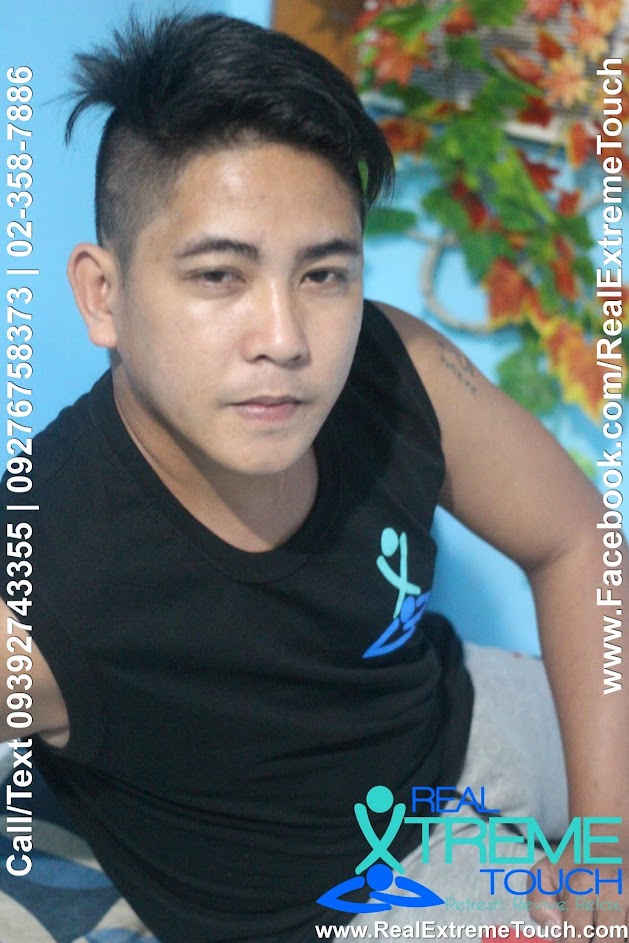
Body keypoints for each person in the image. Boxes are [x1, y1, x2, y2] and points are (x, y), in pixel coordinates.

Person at [1, 11, 626, 943]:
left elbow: (576, 537)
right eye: (219, 275)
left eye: (323, 274)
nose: (285, 339)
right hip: (354, 897)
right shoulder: (41, 572)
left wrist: (606, 839)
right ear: (104, 295)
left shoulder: (393, 367)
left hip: (460, 713)